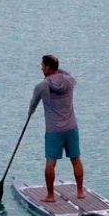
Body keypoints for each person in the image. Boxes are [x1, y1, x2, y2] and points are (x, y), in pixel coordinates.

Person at [30, 55, 85, 202]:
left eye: (43, 66)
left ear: (48, 67)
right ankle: (80, 192)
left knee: (51, 161)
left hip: (54, 130)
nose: (41, 68)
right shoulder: (69, 81)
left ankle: (50, 196)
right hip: (71, 128)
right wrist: (55, 69)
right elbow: (66, 74)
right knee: (76, 159)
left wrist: (30, 112)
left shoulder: (42, 86)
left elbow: (33, 105)